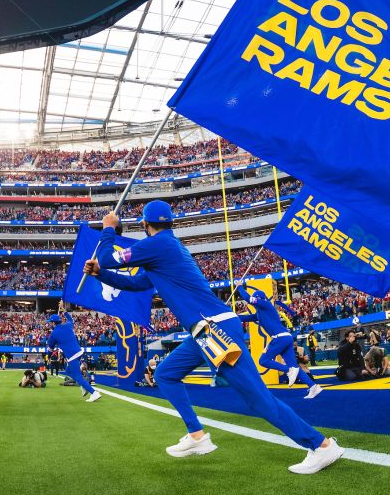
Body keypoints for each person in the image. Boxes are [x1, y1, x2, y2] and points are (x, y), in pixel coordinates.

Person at [85, 201, 342, 474]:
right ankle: (196, 435)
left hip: (213, 330)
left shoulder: (157, 245)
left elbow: (107, 255)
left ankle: (322, 446)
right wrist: (102, 274)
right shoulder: (165, 249)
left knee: (259, 400)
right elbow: (135, 284)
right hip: (204, 331)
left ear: (146, 225)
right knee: (165, 374)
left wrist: (108, 229)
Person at [235, 286, 321, 399]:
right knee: (294, 367)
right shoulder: (261, 313)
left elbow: (248, 298)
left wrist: (240, 286)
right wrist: (229, 316)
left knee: (263, 360)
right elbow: (245, 318)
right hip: (286, 338)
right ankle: (313, 386)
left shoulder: (265, 305)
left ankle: (288, 370)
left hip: (279, 338)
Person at [46, 312, 99, 401]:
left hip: (72, 356)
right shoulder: (68, 325)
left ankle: (94, 393)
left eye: (50, 323)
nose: (50, 324)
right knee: (68, 371)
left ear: (54, 323)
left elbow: (50, 349)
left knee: (78, 376)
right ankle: (84, 385)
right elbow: (70, 319)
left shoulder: (53, 334)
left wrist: (48, 357)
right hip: (79, 352)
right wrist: (64, 312)